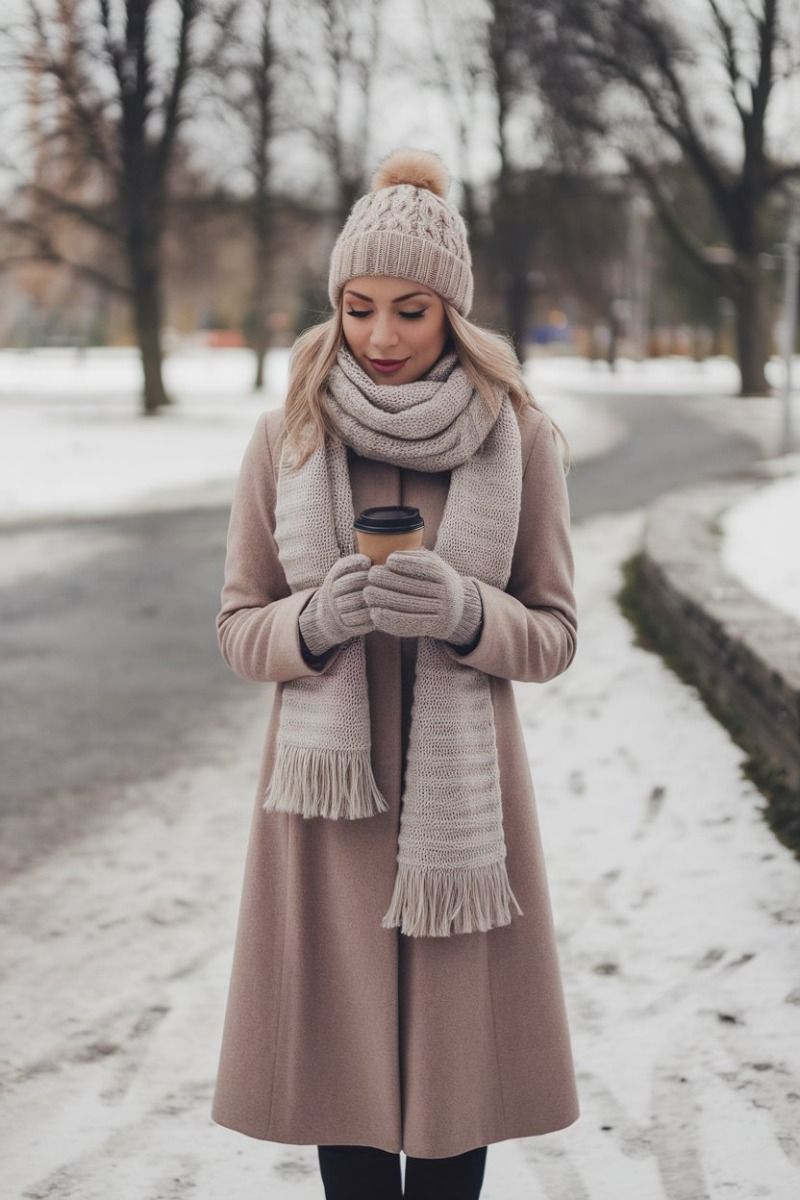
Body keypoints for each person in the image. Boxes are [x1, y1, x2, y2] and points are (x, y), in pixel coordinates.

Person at [210, 147, 581, 1200]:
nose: (379, 337)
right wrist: (314, 621)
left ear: (452, 312)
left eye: (410, 311)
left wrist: (465, 613)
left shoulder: (517, 438)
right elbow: (238, 628)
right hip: (330, 817)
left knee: (454, 1088)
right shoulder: (286, 436)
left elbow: (554, 633)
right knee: (347, 1091)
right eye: (358, 307)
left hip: (461, 817)